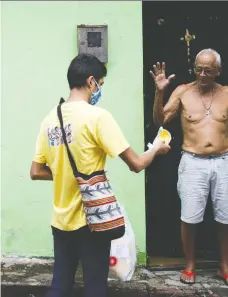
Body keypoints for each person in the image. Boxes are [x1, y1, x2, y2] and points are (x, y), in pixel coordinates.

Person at [30, 53, 170, 297]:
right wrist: (157, 149)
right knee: (95, 287)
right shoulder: (98, 117)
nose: (99, 90)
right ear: (91, 81)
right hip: (92, 220)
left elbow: (36, 171)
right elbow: (136, 164)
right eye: (101, 85)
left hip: (60, 220)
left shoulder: (50, 119)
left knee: (60, 285)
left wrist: (65, 174)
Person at [151, 48, 228, 287]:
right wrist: (159, 93)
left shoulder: (227, 93)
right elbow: (161, 120)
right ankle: (190, 264)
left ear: (218, 71)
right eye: (198, 69)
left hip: (224, 161)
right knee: (189, 217)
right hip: (192, 161)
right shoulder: (182, 92)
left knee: (226, 218)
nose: (202, 74)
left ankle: (224, 266)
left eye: (208, 70)